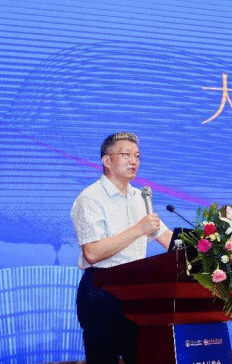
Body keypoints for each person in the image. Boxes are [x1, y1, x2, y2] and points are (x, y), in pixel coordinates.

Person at [71, 132, 173, 364]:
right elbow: (92, 253)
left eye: (137, 156)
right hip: (102, 291)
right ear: (107, 161)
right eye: (126, 154)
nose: (133, 161)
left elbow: (167, 238)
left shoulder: (140, 197)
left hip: (138, 293)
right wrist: (138, 229)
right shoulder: (90, 198)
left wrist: (205, 250)